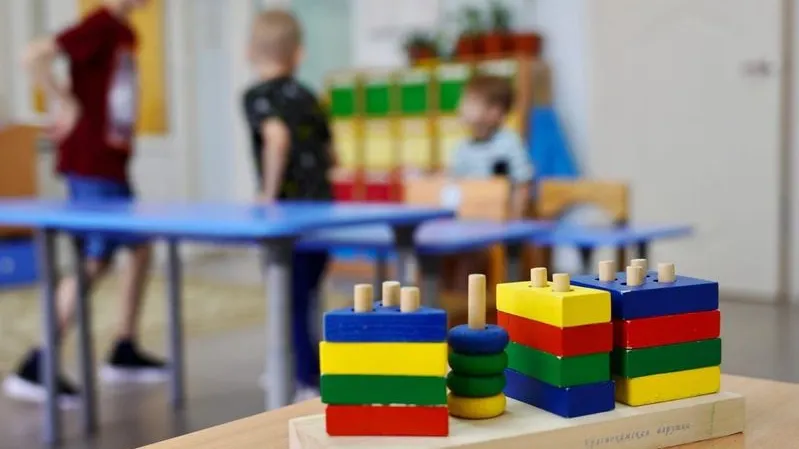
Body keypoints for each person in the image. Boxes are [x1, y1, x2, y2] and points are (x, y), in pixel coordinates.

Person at [3, 0, 167, 408]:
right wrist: (65, 102)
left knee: (138, 248)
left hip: (110, 163)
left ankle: (124, 347)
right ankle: (37, 363)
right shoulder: (99, 25)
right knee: (94, 258)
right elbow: (34, 54)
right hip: (91, 163)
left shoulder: (124, 32)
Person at [242, 10, 336, 402]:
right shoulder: (309, 96)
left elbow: (276, 139)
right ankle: (302, 366)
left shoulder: (257, 96)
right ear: (298, 54)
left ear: (250, 52)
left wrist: (268, 193)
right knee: (308, 296)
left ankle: (303, 378)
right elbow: (331, 154)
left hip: (287, 215)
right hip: (322, 211)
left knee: (287, 297)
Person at [449, 74, 534, 219]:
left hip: (503, 219)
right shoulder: (462, 148)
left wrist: (516, 217)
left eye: (470, 102)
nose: (461, 107)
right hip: (471, 218)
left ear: (494, 112)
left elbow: (522, 183)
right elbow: (455, 183)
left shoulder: (508, 143)